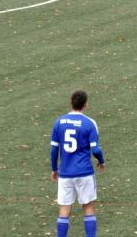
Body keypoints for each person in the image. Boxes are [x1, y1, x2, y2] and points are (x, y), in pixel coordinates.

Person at [50, 90, 105, 237]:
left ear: (70, 102)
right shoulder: (89, 123)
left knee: (64, 209)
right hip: (84, 172)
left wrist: (54, 169)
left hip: (65, 173)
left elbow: (54, 150)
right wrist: (101, 161)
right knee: (88, 208)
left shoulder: (59, 122)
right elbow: (96, 148)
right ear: (85, 105)